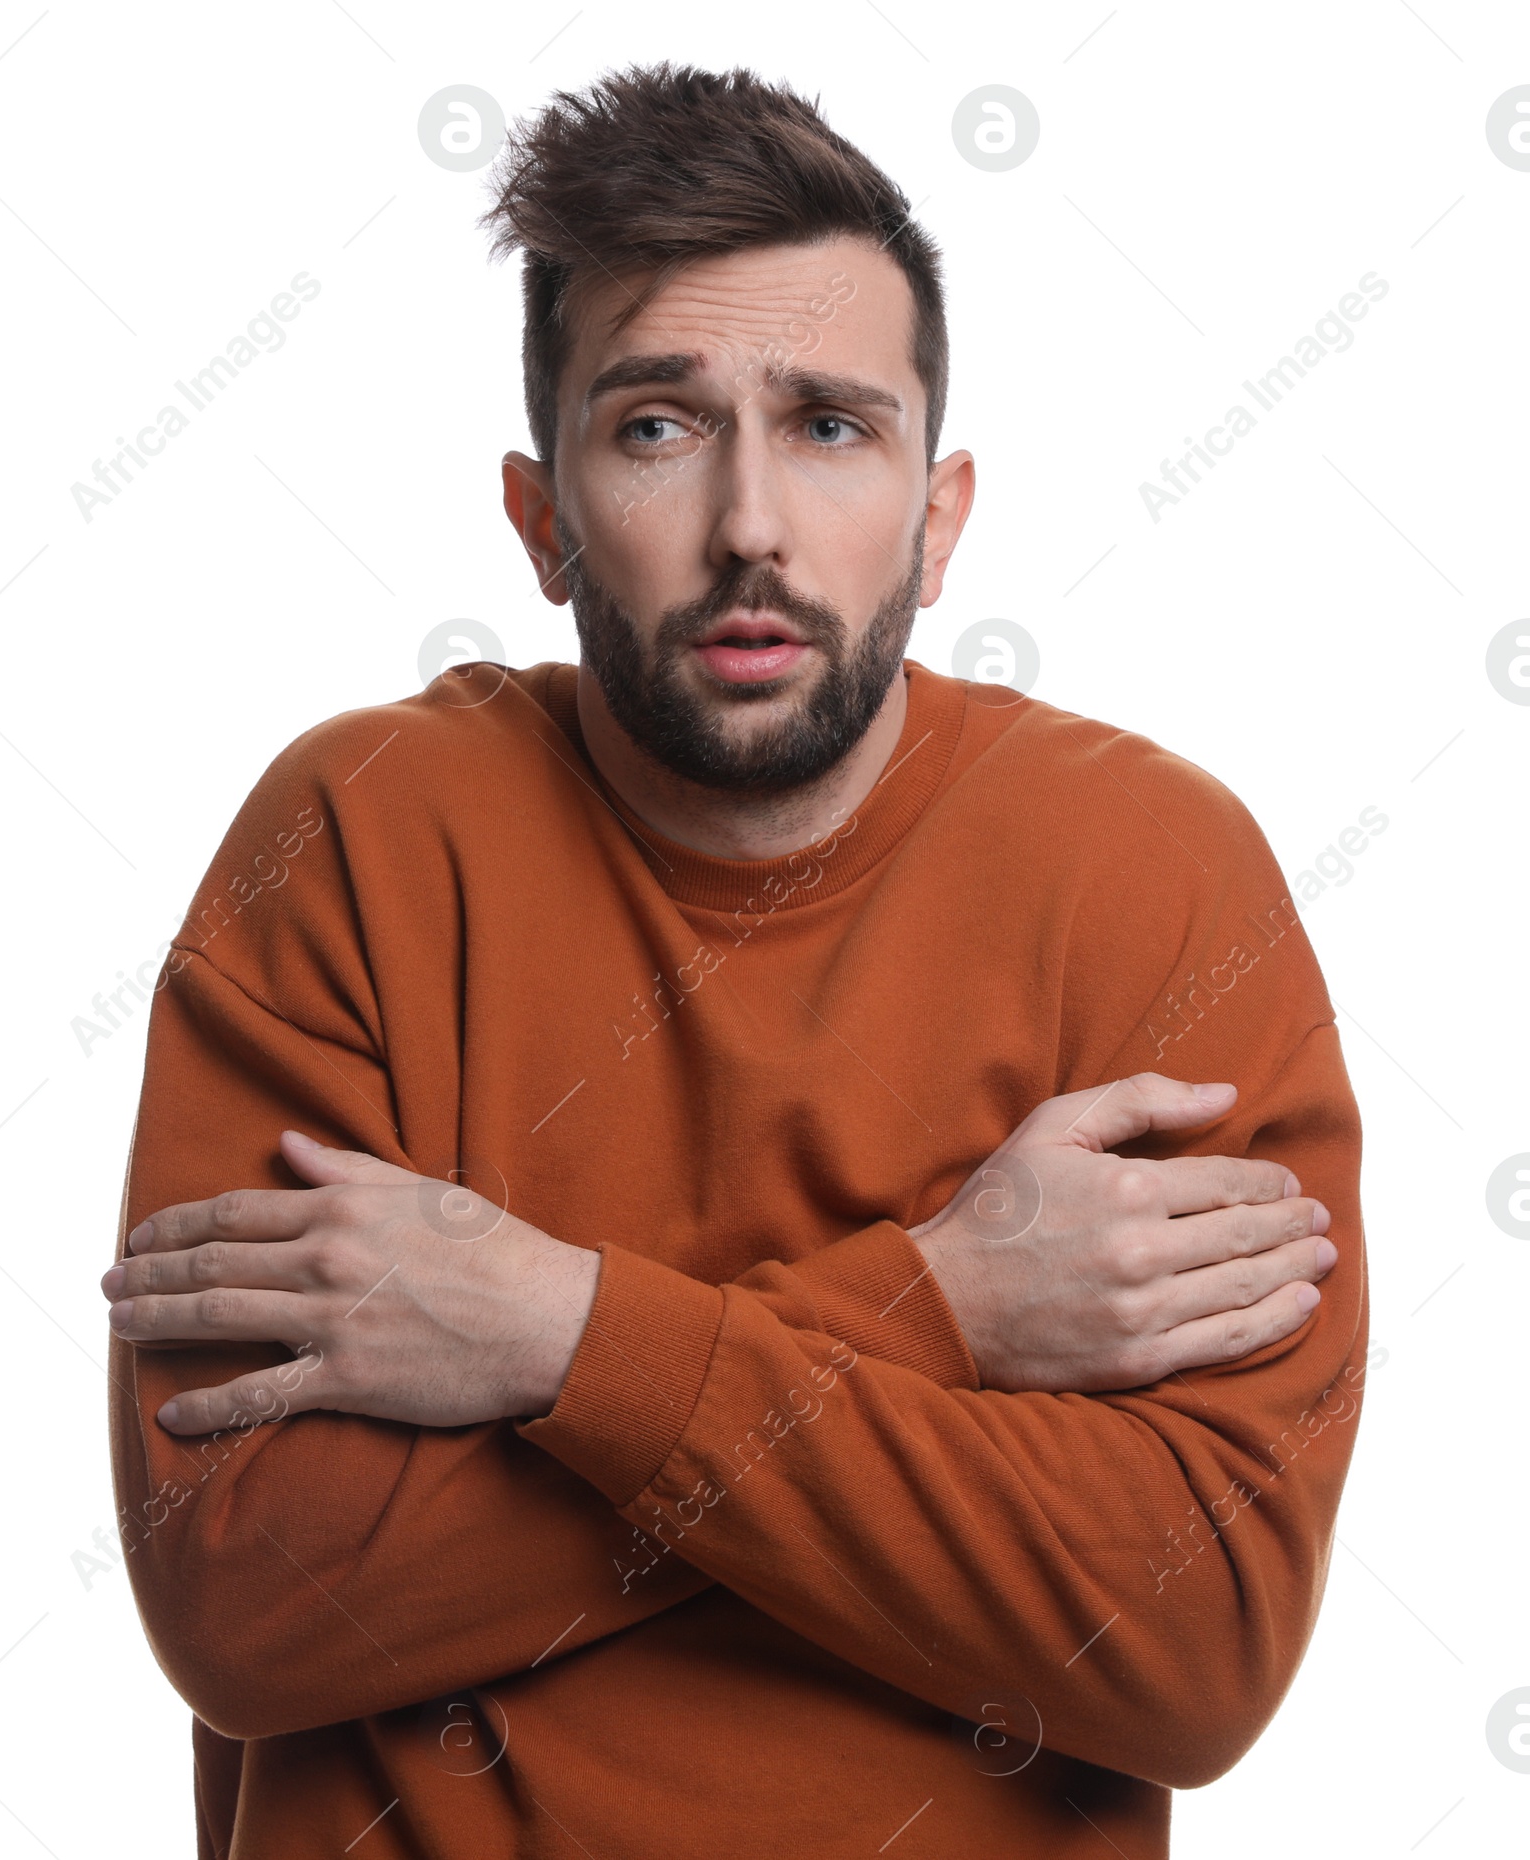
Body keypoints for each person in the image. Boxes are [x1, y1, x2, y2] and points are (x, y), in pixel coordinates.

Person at [103, 62, 1367, 1860]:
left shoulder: (1153, 876)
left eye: (834, 425)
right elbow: (251, 1601)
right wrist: (943, 1312)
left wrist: (546, 1337)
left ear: (940, 516)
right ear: (543, 523)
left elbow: (1188, 1644)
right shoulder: (357, 841)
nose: (753, 524)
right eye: (658, 426)